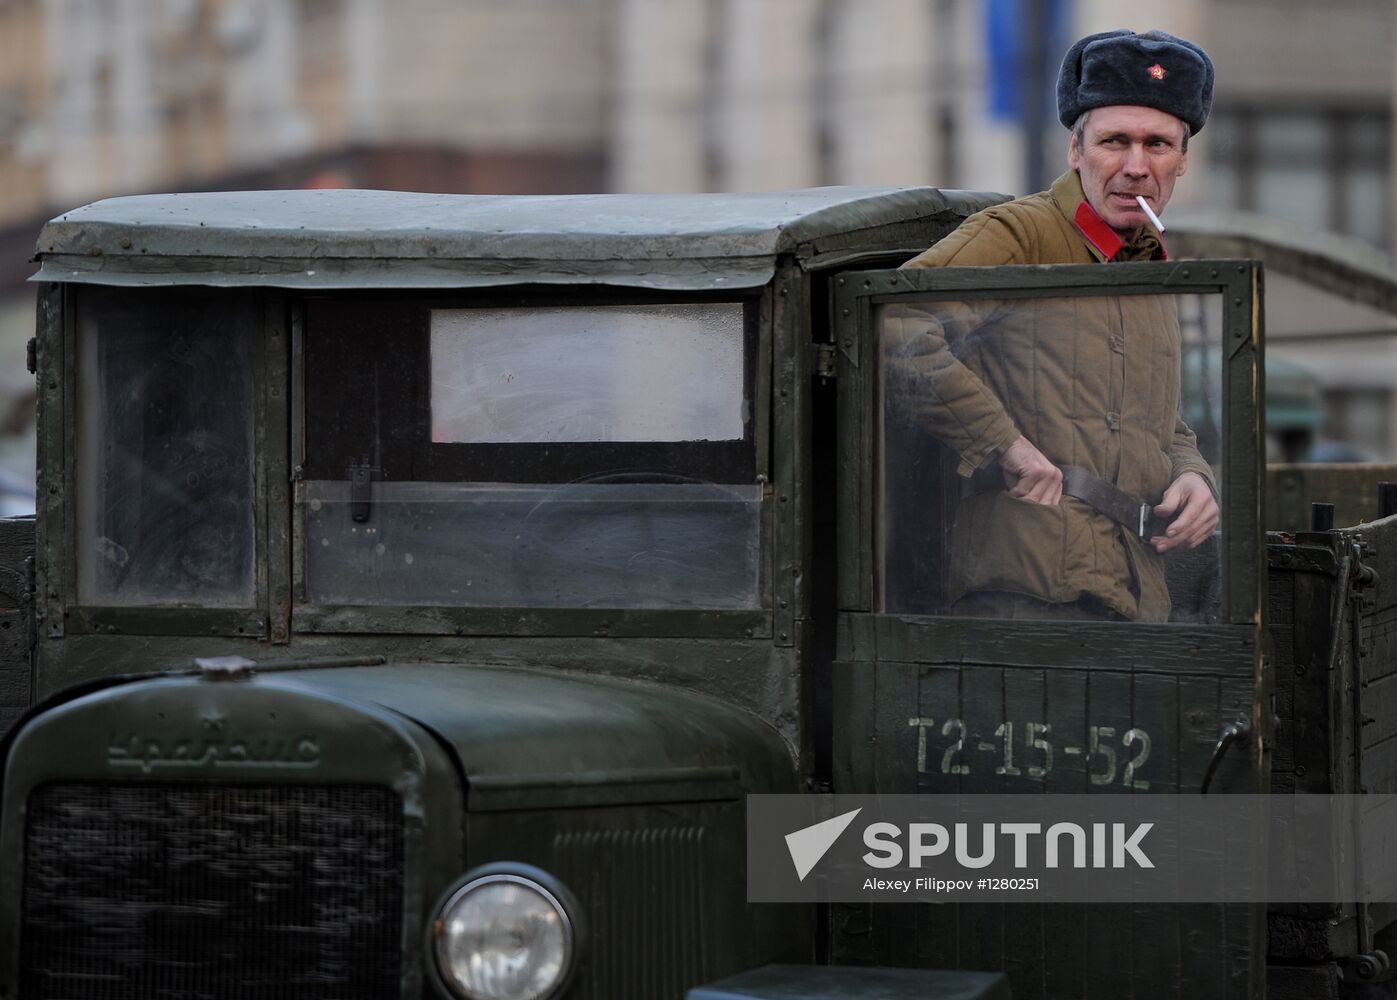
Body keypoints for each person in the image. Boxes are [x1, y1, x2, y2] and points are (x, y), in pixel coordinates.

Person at [885, 29, 1221, 622]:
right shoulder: (1019, 234)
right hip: (1021, 592)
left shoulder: (1148, 263)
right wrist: (1002, 443)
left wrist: (1194, 477)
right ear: (1075, 150)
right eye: (1114, 141)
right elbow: (893, 322)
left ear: (1183, 161)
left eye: (1159, 145)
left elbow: (1155, 417)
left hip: (1132, 593)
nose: (1136, 167)